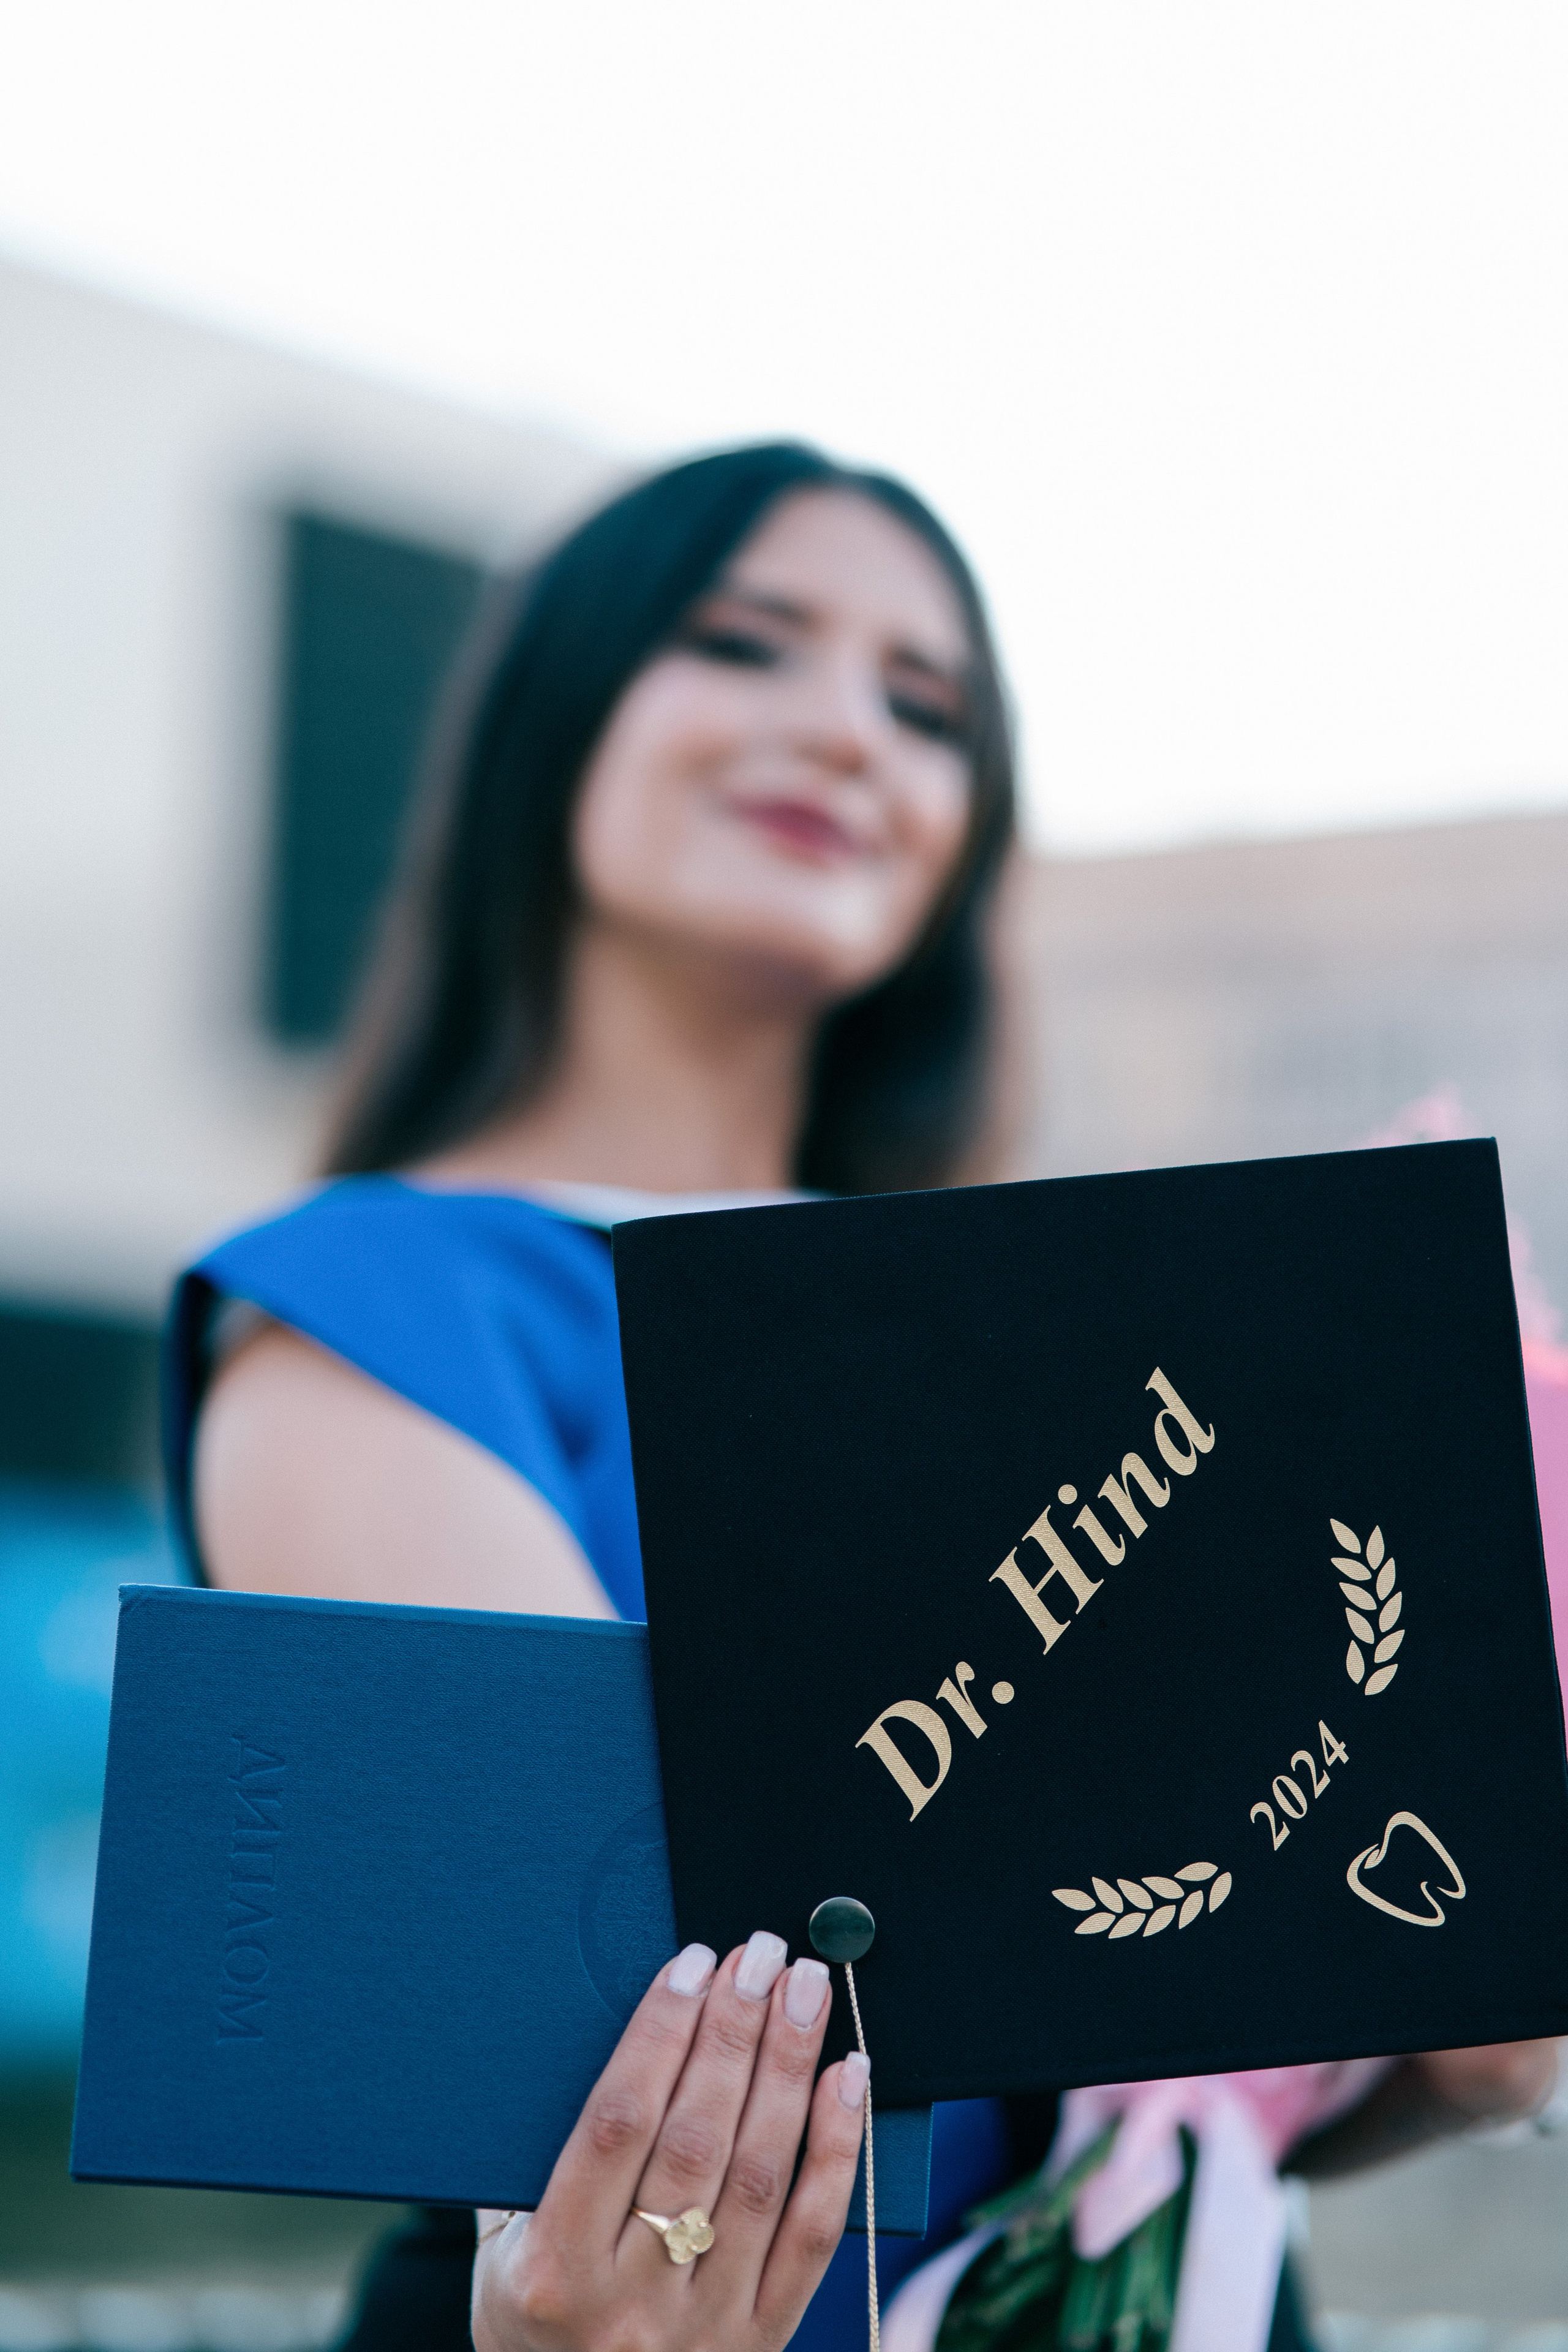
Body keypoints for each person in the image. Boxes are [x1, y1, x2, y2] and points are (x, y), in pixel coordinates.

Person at [165, 444, 1555, 2352]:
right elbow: (621, 2064)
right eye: (748, 645)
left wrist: (1457, 2043)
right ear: (557, 713)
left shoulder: (1065, 1336)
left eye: (927, 709)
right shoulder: (375, 1312)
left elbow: (1108, 2038)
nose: (844, 733)